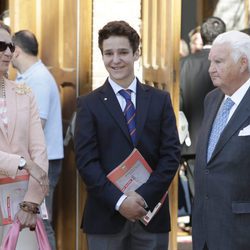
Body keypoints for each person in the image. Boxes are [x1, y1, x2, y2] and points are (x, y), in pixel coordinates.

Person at [74, 20, 180, 250]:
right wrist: (120, 202)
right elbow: (86, 162)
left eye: (123, 52)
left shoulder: (160, 100)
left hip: (151, 214)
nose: (115, 60)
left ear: (136, 54)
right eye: (108, 53)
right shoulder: (88, 104)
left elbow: (171, 155)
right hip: (105, 217)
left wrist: (142, 198)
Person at [192, 30, 250, 250]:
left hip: (241, 232)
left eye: (218, 62)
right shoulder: (212, 99)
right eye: (210, 62)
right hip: (205, 230)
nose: (210, 69)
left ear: (243, 63)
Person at [12, 30, 64, 250]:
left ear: (17, 52)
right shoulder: (26, 77)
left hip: (44, 163)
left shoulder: (39, 79)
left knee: (40, 221)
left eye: (7, 47)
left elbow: (37, 126)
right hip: (31, 162)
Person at [0, 24, 49, 249]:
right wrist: (22, 162)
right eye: (2, 46)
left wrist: (31, 203)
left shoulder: (25, 92)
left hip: (22, 204)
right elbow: (31, 161)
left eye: (10, 46)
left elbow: (39, 150)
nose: (9, 52)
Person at [180, 16, 226, 199]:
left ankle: (197, 227)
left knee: (197, 196)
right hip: (222, 140)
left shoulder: (184, 64)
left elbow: (179, 104)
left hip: (192, 142)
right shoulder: (228, 65)